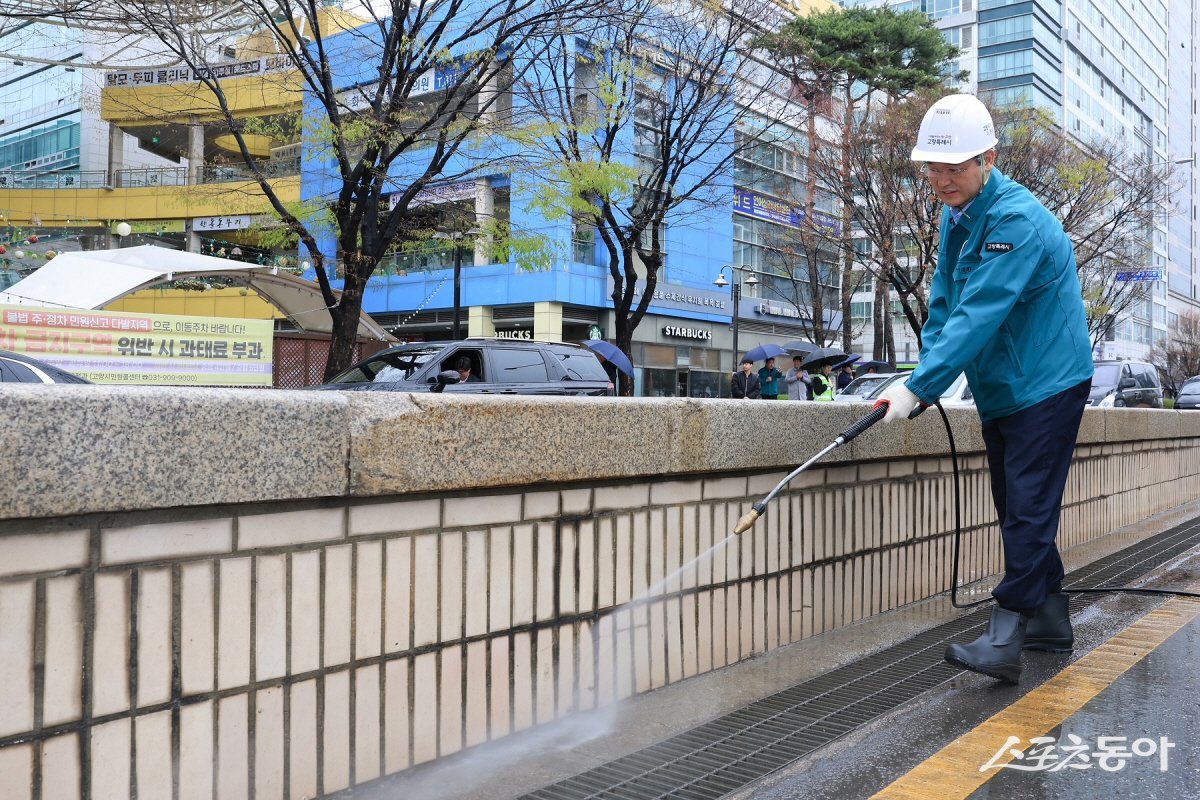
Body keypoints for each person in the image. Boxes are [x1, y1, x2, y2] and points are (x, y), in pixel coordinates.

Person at [874, 93, 1093, 684]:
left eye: (954, 167)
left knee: (1026, 504)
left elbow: (982, 311)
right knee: (1016, 501)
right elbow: (945, 303)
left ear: (988, 158)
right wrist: (918, 378)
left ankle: (1006, 634)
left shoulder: (1015, 219)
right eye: (932, 169)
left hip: (1048, 380)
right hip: (1003, 383)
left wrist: (922, 386)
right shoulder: (958, 215)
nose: (941, 180)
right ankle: (1050, 619)